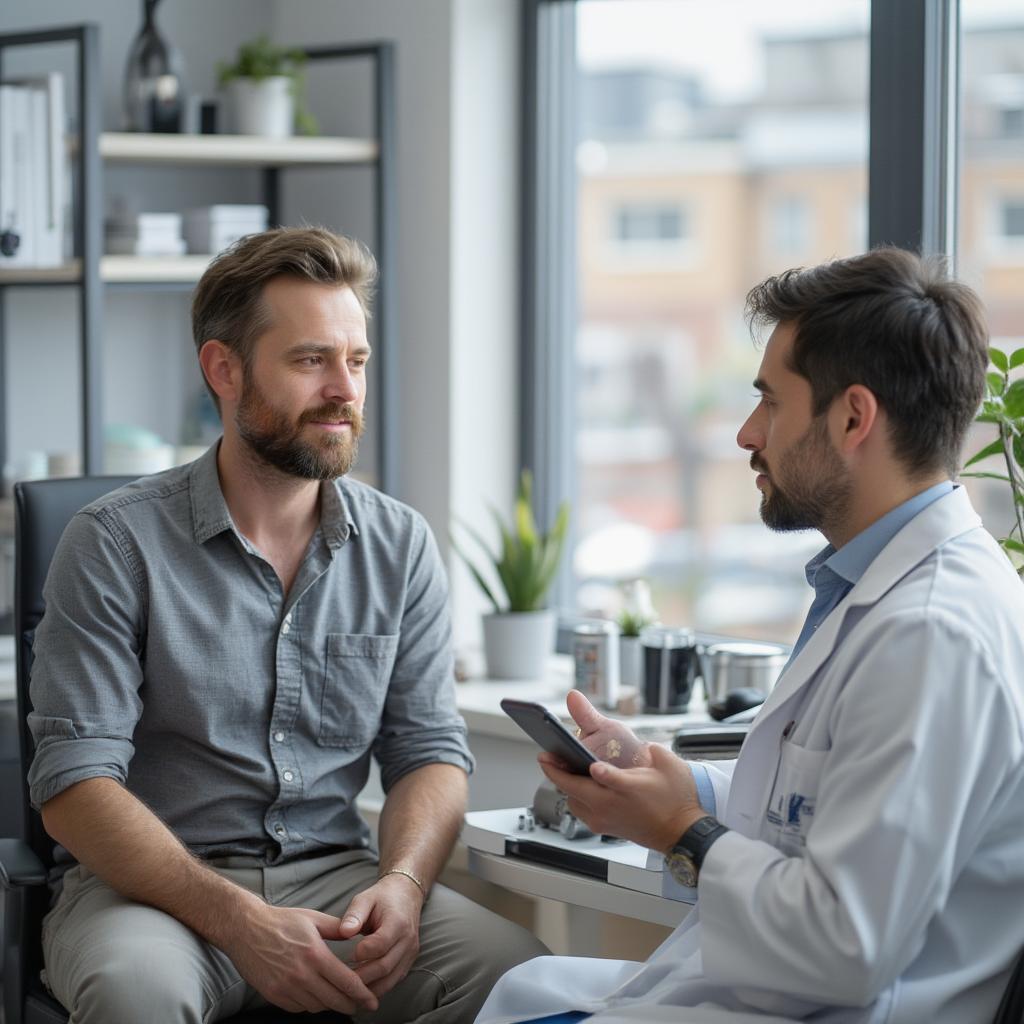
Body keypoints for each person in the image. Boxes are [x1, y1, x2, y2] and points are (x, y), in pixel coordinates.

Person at [475, 247, 1024, 1024]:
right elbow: (817, 815)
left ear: (853, 417)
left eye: (770, 402)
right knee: (526, 991)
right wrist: (670, 789)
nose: (744, 433)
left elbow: (846, 945)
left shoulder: (932, 635)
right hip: (755, 996)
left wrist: (681, 830)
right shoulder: (873, 592)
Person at [27, 226, 547, 1024]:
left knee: (518, 977)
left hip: (336, 879)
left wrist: (403, 886)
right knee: (138, 995)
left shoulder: (399, 543)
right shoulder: (115, 542)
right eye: (311, 360)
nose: (345, 388)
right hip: (153, 893)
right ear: (224, 370)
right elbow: (74, 784)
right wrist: (240, 922)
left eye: (358, 361)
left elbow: (429, 753)